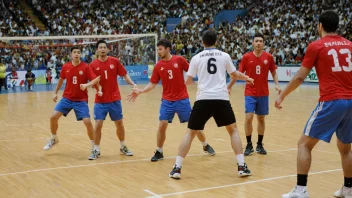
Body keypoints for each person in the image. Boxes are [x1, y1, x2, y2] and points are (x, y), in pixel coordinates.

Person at [276, 10, 352, 198]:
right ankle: (349, 189)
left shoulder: (316, 46)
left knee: (304, 144)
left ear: (320, 26)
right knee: (346, 148)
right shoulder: (350, 45)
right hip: (351, 101)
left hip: (332, 101)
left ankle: (301, 190)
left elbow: (301, 76)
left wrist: (282, 95)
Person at [168, 30, 254, 179]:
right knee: (233, 130)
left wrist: (199, 82)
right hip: (221, 98)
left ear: (202, 42)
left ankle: (177, 168)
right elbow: (234, 74)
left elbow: (188, 80)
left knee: (190, 133)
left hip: (203, 98)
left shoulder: (196, 57)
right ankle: (241, 166)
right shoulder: (224, 56)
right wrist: (247, 78)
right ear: (216, 41)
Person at [127, 39, 216, 162]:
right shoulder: (158, 66)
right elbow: (152, 84)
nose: (158, 52)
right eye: (157, 49)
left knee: (194, 125)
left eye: (160, 49)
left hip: (182, 99)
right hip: (167, 101)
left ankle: (205, 144)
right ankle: (159, 151)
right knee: (162, 124)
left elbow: (192, 71)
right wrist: (141, 91)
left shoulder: (179, 60)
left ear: (168, 49)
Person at [228, 33, 281, 156]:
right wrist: (229, 86)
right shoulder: (246, 57)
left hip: (263, 93)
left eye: (260, 41)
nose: (258, 43)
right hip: (250, 92)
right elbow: (239, 74)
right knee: (249, 117)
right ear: (252, 43)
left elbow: (273, 72)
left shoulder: (269, 57)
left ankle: (259, 144)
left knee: (261, 118)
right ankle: (249, 144)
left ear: (263, 43)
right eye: (256, 41)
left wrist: (277, 84)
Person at [43, 47, 102, 155]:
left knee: (87, 122)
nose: (76, 54)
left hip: (81, 100)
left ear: (80, 55)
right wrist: (55, 92)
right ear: (71, 55)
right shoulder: (66, 66)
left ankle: (94, 146)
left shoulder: (85, 67)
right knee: (53, 117)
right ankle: (54, 138)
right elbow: (61, 80)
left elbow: (95, 79)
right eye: (74, 52)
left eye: (78, 52)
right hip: (67, 98)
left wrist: (98, 89)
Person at [88, 40, 135, 160]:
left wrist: (133, 85)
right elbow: (92, 82)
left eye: (104, 47)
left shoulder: (115, 61)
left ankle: (123, 146)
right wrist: (97, 89)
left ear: (107, 49)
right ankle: (96, 149)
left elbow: (125, 75)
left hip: (114, 99)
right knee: (98, 124)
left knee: (119, 123)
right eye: (100, 47)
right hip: (100, 101)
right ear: (97, 50)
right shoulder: (92, 65)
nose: (103, 49)